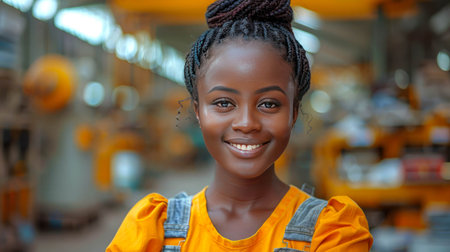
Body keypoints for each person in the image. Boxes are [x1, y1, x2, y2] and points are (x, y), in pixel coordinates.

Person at [106, 0, 373, 251]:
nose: (246, 123)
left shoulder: (332, 233)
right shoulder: (151, 230)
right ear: (198, 111)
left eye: (269, 104)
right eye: (223, 103)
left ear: (294, 113)